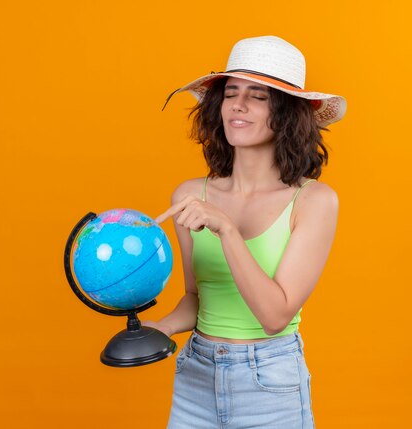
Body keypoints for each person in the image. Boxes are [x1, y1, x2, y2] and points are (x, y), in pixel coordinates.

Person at [147, 35, 346, 429]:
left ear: (287, 112)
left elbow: (274, 316)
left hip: (270, 383)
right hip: (196, 376)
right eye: (231, 92)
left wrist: (228, 231)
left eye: (258, 95)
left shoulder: (314, 201)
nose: (237, 104)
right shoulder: (191, 195)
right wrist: (159, 328)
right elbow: (195, 297)